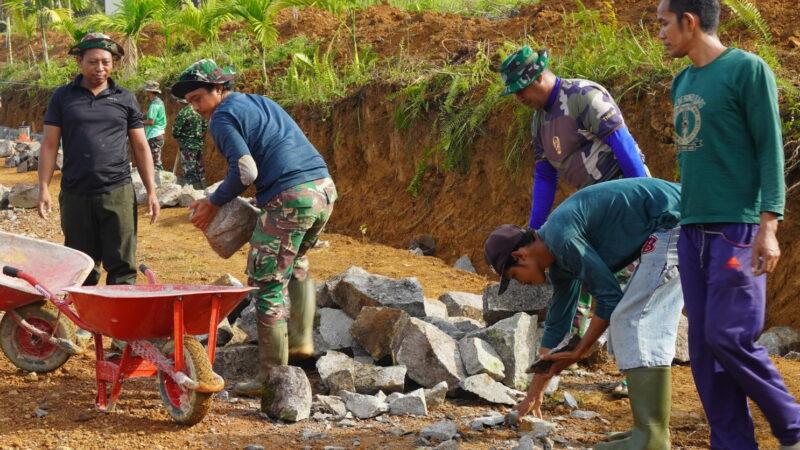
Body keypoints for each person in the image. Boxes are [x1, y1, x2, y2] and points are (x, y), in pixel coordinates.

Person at [657, 0, 800, 448]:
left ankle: (793, 427)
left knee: (729, 336)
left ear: (690, 21)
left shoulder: (747, 70)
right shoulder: (682, 80)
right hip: (693, 231)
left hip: (736, 229)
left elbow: (769, 150)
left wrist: (769, 226)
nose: (659, 32)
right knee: (703, 350)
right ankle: (733, 443)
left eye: (663, 23)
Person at [171, 59, 336, 397]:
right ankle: (301, 341)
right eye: (190, 102)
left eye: (198, 98)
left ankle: (272, 381)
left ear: (219, 89)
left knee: (266, 285)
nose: (196, 107)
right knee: (297, 260)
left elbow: (246, 171)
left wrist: (213, 201)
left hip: (290, 197)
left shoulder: (222, 117)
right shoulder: (261, 101)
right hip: (323, 189)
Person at [484, 178, 684, 449]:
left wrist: (580, 351)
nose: (519, 283)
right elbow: (556, 328)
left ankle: (651, 437)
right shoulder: (557, 260)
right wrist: (534, 394)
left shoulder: (562, 237)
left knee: (633, 321)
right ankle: (649, 431)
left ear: (520, 256)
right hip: (668, 224)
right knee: (629, 320)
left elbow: (609, 296)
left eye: (513, 276)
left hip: (676, 220)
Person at [498, 45, 649, 351]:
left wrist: (643, 196)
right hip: (592, 208)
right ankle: (569, 349)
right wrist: (534, 231)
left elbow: (625, 146)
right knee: (575, 269)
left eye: (520, 90)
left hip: (623, 200)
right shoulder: (539, 121)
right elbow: (544, 176)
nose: (519, 98)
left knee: (626, 285)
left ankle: (633, 367)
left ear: (538, 77)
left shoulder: (584, 96)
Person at [37, 33, 160, 286]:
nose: (100, 68)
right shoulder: (63, 97)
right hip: (75, 193)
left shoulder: (125, 97)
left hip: (117, 191)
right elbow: (49, 144)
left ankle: (119, 321)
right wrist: (43, 188)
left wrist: (152, 190)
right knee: (82, 264)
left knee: (123, 264)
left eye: (106, 62)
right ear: (79, 62)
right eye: (93, 62)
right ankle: (87, 322)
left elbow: (140, 146)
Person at [172, 99, 208, 189]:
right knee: (199, 171)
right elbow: (205, 126)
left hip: (187, 146)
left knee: (190, 171)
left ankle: (195, 194)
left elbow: (176, 132)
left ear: (181, 101)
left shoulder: (184, 112)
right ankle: (204, 191)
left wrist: (182, 136)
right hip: (199, 145)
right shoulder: (198, 110)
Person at [142, 80, 166, 171]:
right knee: (156, 160)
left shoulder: (154, 105)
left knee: (155, 163)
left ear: (148, 91)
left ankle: (159, 182)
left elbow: (151, 122)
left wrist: (139, 122)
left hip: (154, 135)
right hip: (158, 135)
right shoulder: (159, 102)